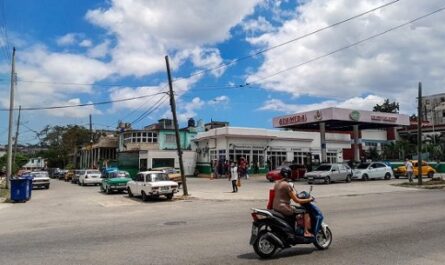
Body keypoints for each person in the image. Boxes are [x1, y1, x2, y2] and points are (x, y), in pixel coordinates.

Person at [272, 166, 314, 238]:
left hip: (275, 207)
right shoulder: (287, 185)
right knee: (304, 211)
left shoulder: (276, 183)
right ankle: (306, 232)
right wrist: (309, 199)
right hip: (284, 208)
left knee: (296, 209)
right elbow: (297, 200)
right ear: (289, 174)